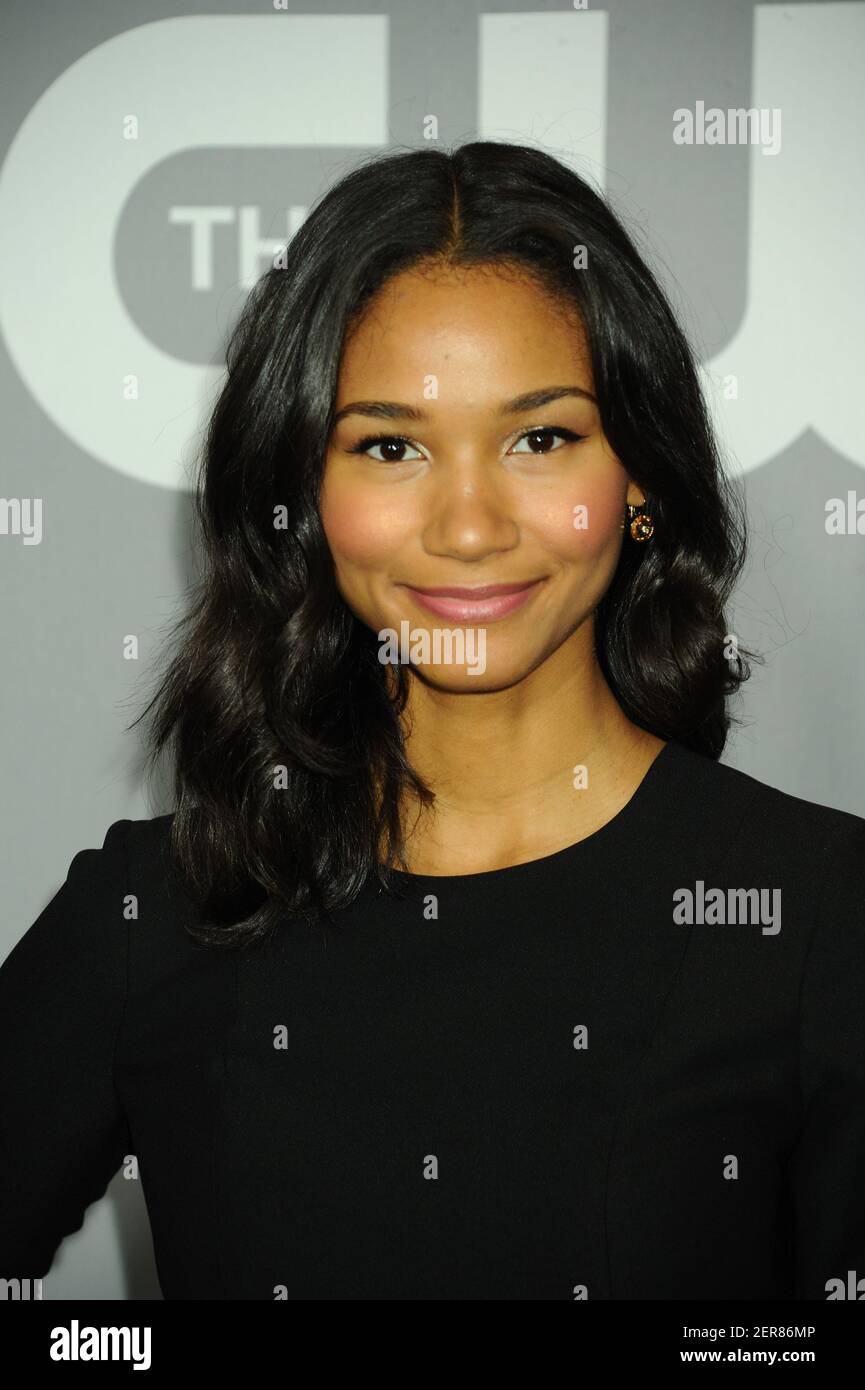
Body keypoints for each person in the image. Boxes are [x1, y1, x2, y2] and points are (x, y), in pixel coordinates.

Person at [1, 141, 863, 1301]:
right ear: (304, 493)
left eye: (540, 436)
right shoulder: (158, 913)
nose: (468, 526)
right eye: (391, 445)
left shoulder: (817, 915)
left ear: (640, 475)